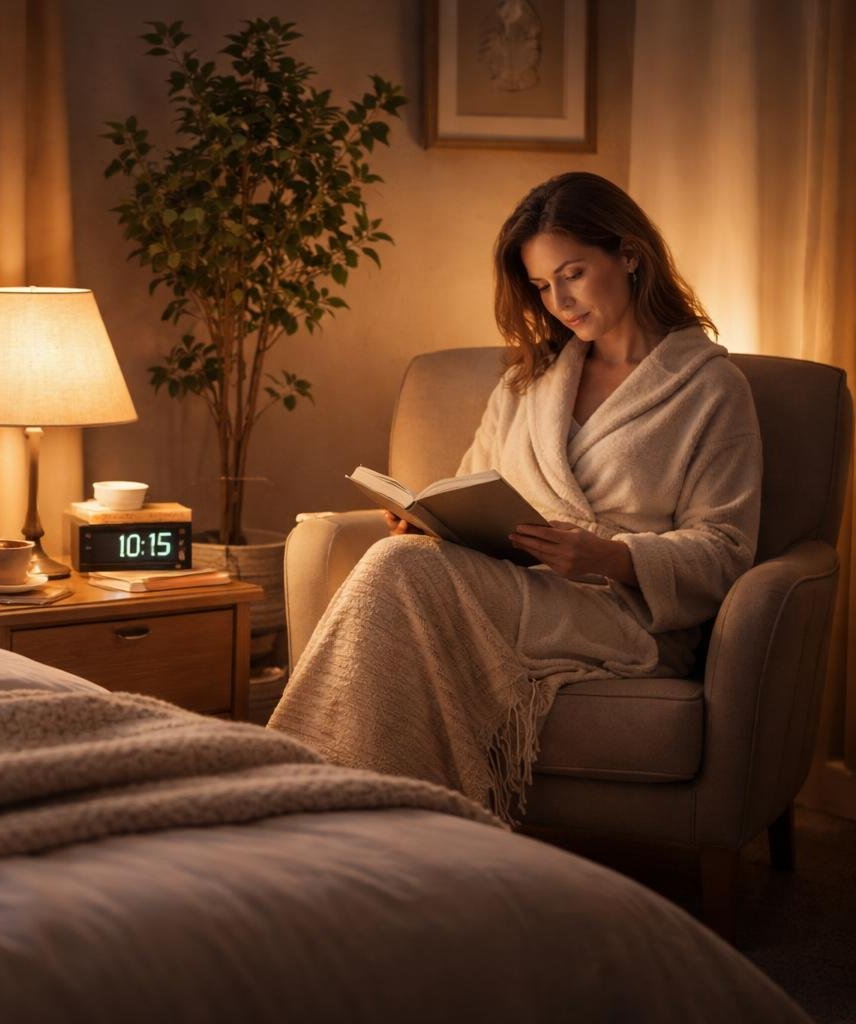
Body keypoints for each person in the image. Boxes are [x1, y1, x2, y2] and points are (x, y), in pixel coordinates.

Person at [267, 171, 763, 824]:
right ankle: (363, 810)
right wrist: (428, 522)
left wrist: (609, 557)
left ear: (630, 255)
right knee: (402, 561)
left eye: (573, 273)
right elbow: (470, 489)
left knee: (395, 573)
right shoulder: (529, 382)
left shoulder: (710, 389)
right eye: (540, 286)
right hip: (513, 585)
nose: (558, 301)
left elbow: (727, 549)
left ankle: (307, 797)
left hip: (623, 613)